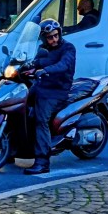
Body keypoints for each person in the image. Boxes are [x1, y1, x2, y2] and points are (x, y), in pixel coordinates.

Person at [24, 19, 76, 176]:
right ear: (44, 38)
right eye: (49, 37)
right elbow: (37, 61)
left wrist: (44, 70)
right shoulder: (43, 49)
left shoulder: (68, 48)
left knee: (41, 120)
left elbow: (63, 65)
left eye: (55, 35)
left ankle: (42, 162)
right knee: (20, 107)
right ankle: (13, 149)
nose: (54, 39)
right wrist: (26, 66)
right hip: (42, 87)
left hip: (57, 91)